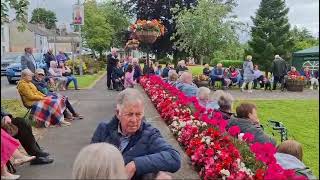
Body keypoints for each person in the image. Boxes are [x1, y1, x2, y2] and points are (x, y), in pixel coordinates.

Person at [91, 89, 181, 180]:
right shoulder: (103, 129)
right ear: (118, 113)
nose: (134, 120)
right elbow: (90, 160)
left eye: (138, 114)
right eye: (129, 114)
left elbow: (174, 157)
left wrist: (134, 165)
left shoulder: (149, 134)